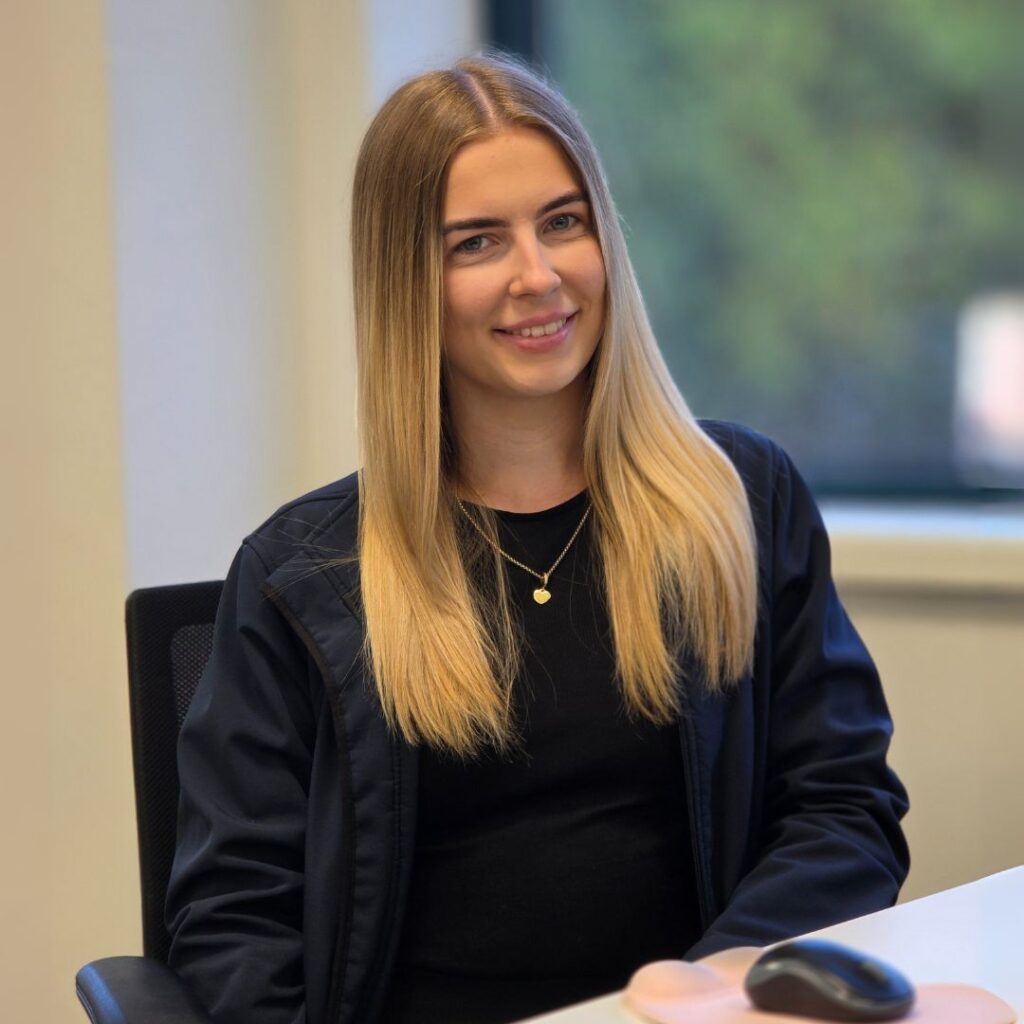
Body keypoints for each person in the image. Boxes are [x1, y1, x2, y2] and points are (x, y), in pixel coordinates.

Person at [165, 52, 909, 1024]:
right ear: (407, 282)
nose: (538, 274)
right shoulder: (299, 576)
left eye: (563, 222)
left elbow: (844, 809)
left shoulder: (740, 499)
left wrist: (711, 986)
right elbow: (232, 922)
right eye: (476, 242)